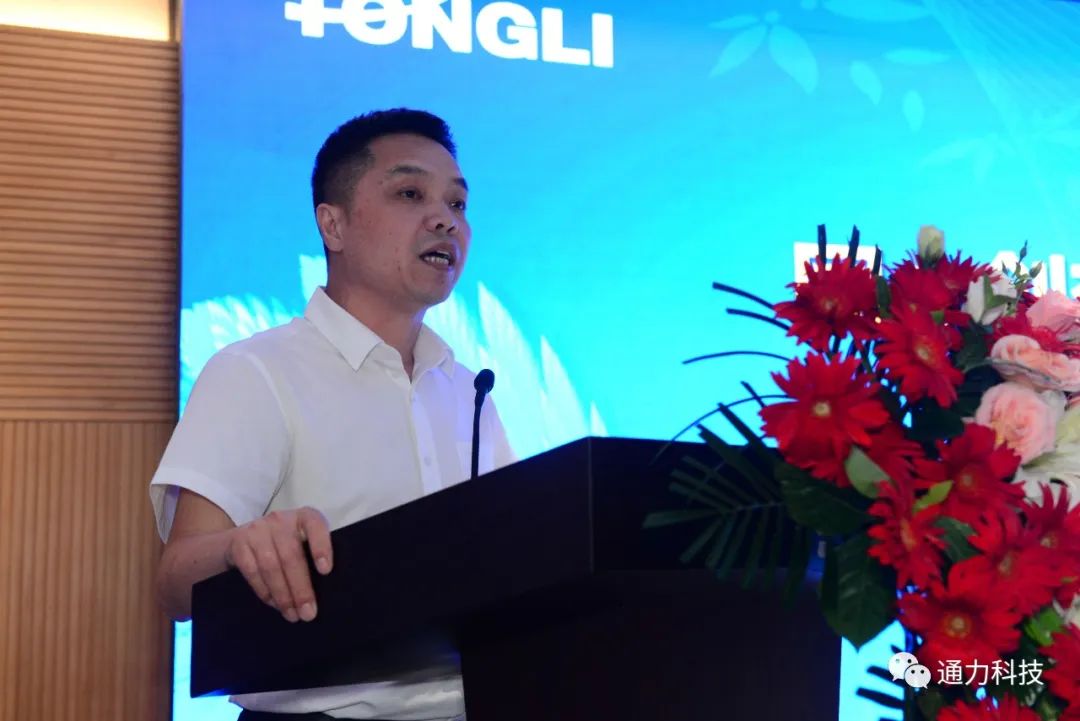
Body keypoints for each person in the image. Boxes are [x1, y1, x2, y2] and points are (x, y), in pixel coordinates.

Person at [150, 108, 516, 721]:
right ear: (333, 224)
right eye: (410, 194)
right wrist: (241, 547)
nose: (445, 220)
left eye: (457, 203)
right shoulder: (256, 371)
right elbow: (174, 584)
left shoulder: (468, 391)